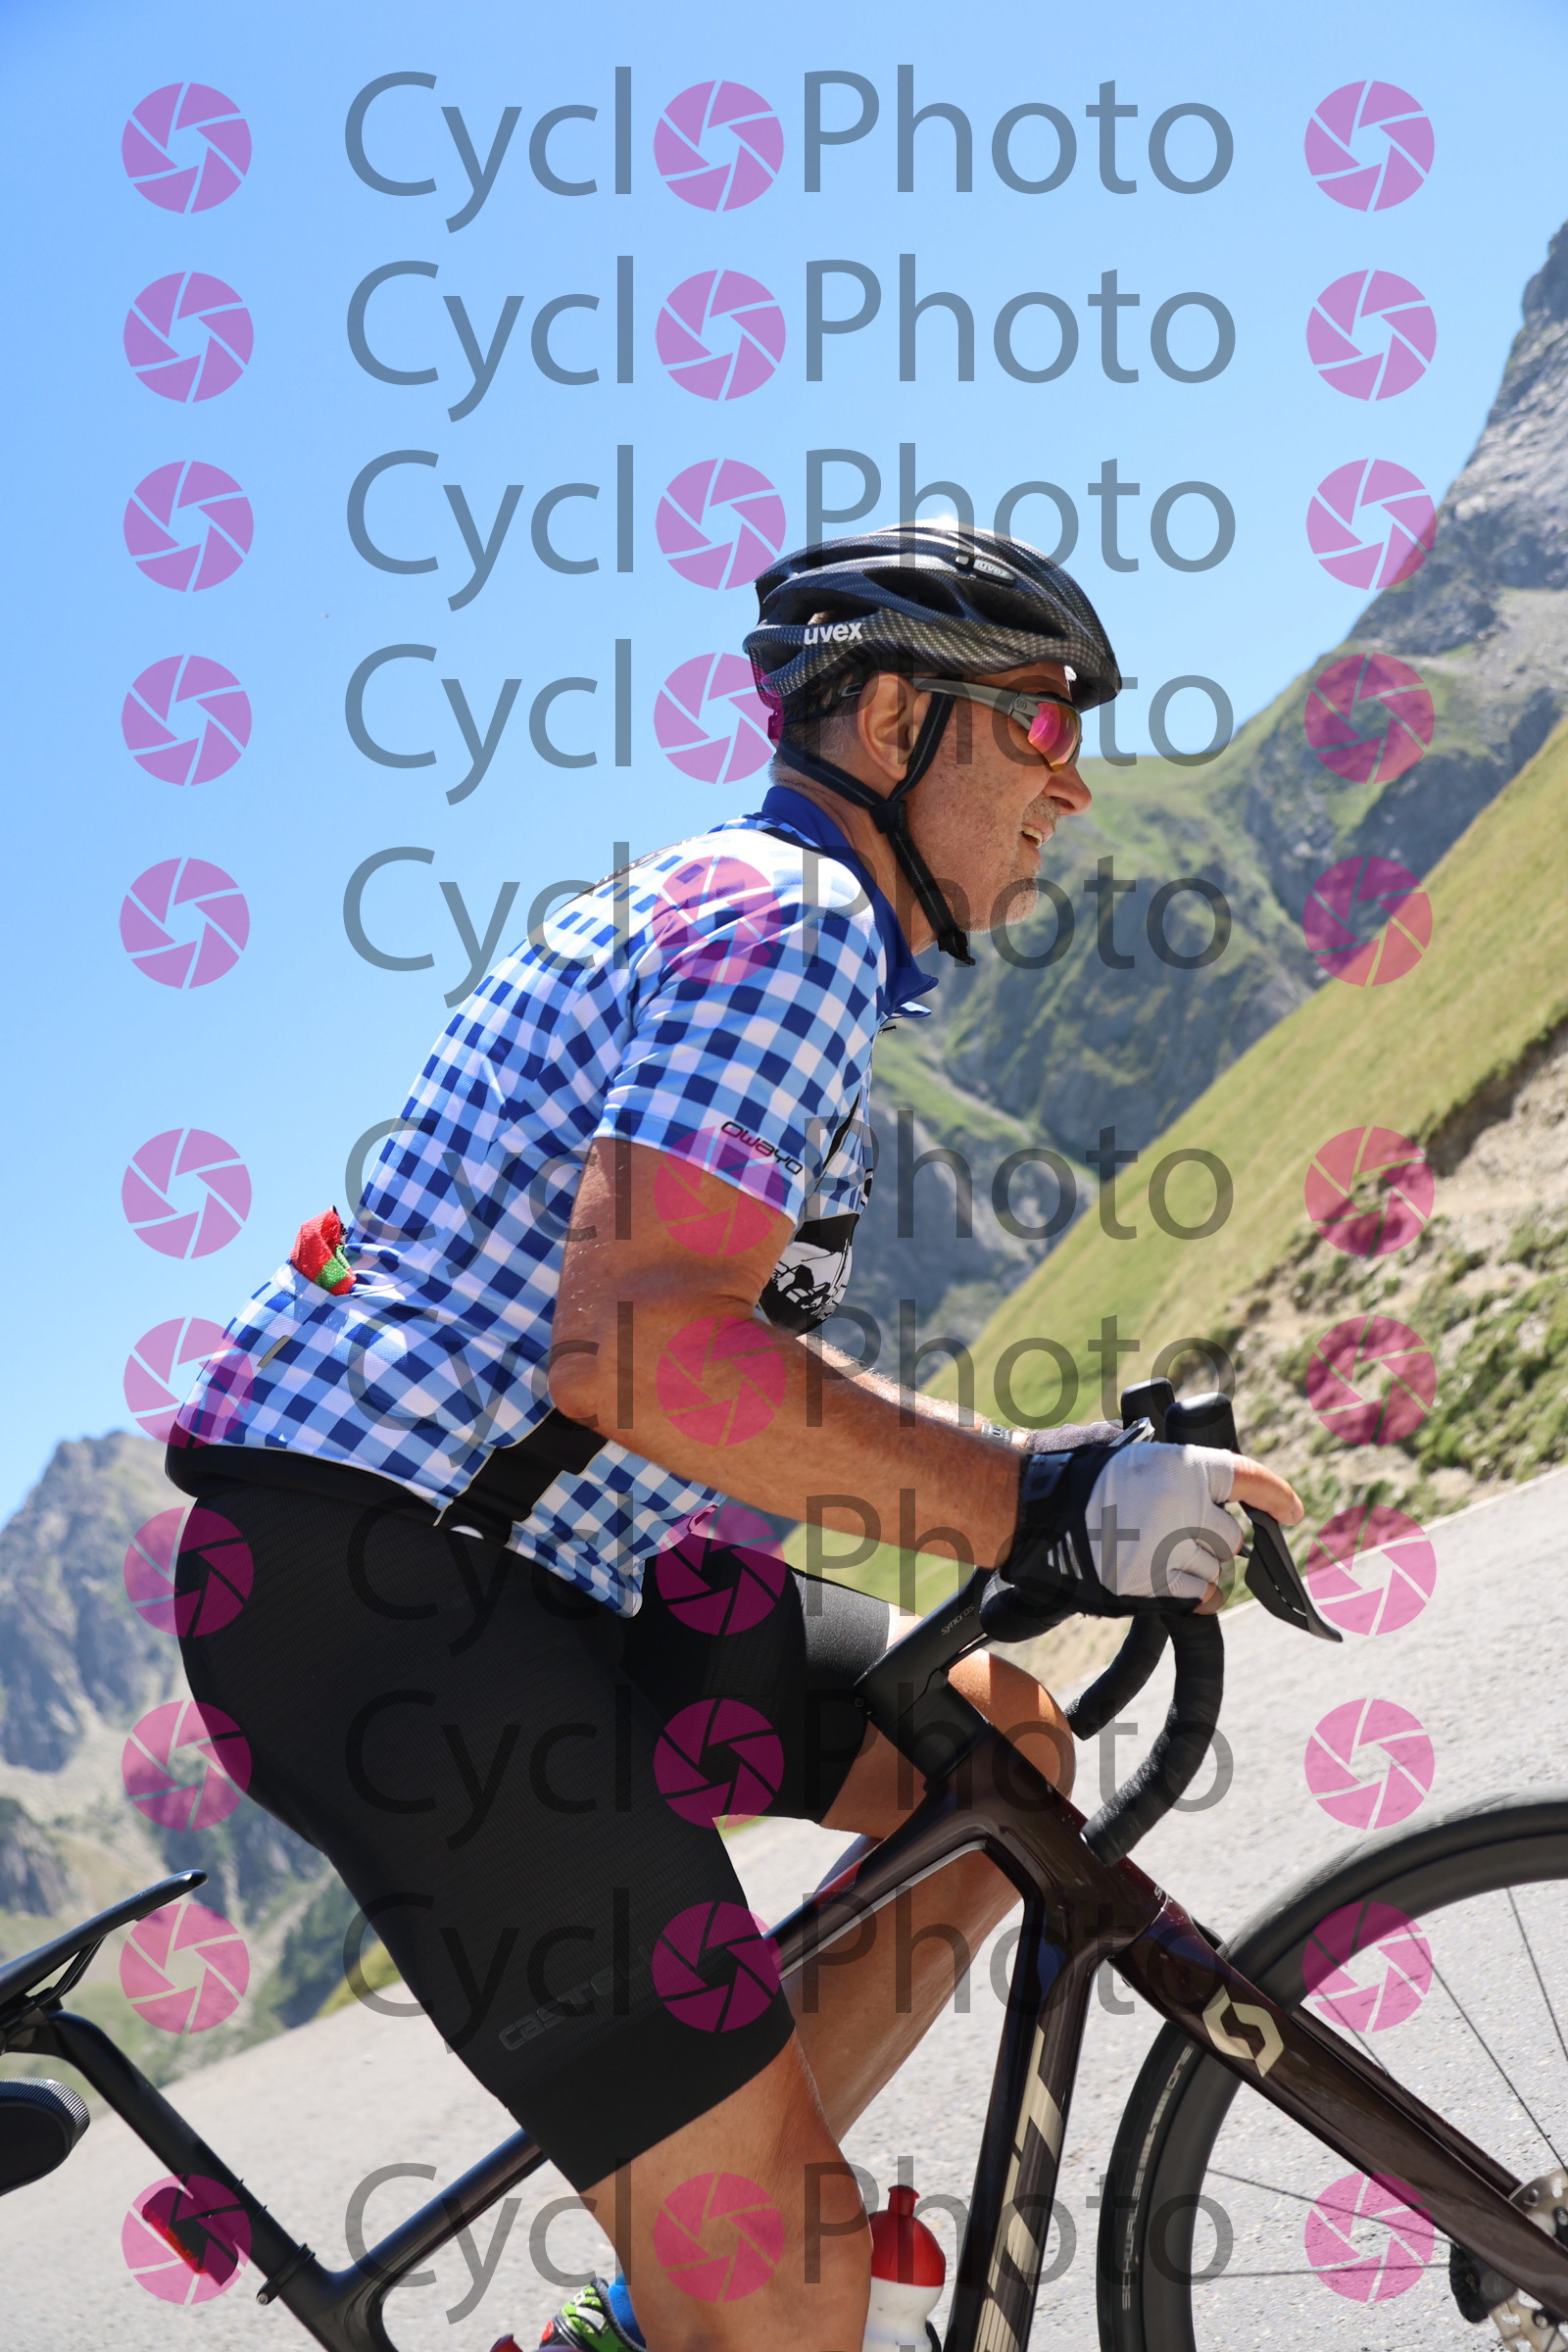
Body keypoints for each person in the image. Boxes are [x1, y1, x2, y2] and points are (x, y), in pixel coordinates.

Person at [165, 524, 1301, 2352]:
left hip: (539, 1562)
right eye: (1035, 722)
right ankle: (738, 2286)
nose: (1072, 783)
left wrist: (1035, 1498)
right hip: (391, 1592)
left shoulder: (765, 915)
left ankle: (682, 2285)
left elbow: (670, 1377)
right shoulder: (794, 920)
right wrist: (1043, 1502)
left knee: (993, 1752)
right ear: (889, 721)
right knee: (792, 2288)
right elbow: (647, 1354)